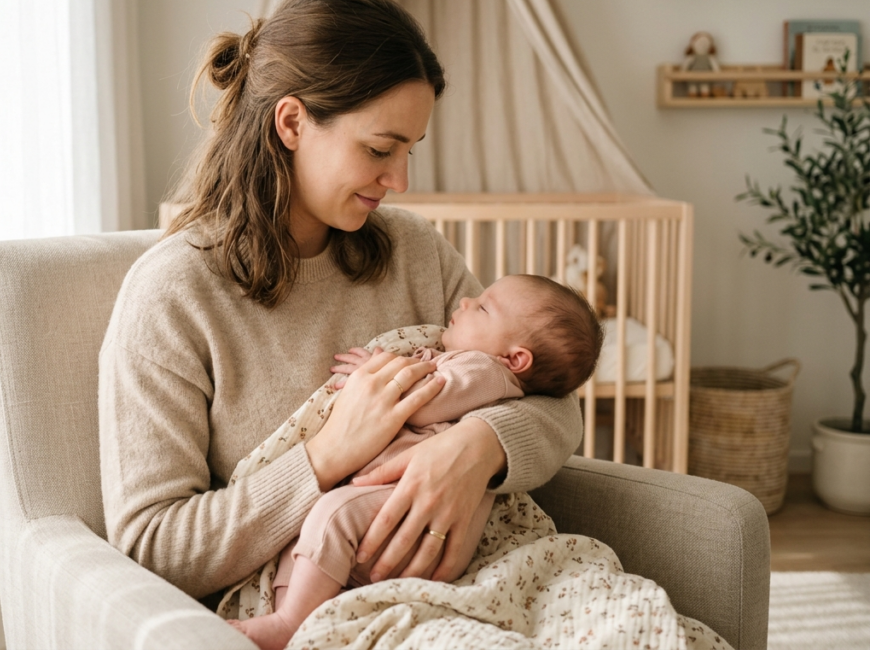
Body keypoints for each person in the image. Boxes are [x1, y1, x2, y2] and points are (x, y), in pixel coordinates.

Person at [97, 0, 583, 616]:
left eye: (410, 150)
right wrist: (326, 457)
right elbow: (150, 548)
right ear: (292, 122)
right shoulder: (173, 295)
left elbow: (551, 397)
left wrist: (476, 449)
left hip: (474, 586)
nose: (401, 181)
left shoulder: (414, 250)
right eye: (380, 150)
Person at [229, 274, 602, 650]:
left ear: (515, 359)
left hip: (415, 517)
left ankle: (290, 622)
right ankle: (291, 619)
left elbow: (423, 405)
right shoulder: (471, 361)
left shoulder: (484, 370)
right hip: (393, 510)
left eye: (484, 306)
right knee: (308, 523)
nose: (466, 301)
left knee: (331, 515)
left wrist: (376, 371)